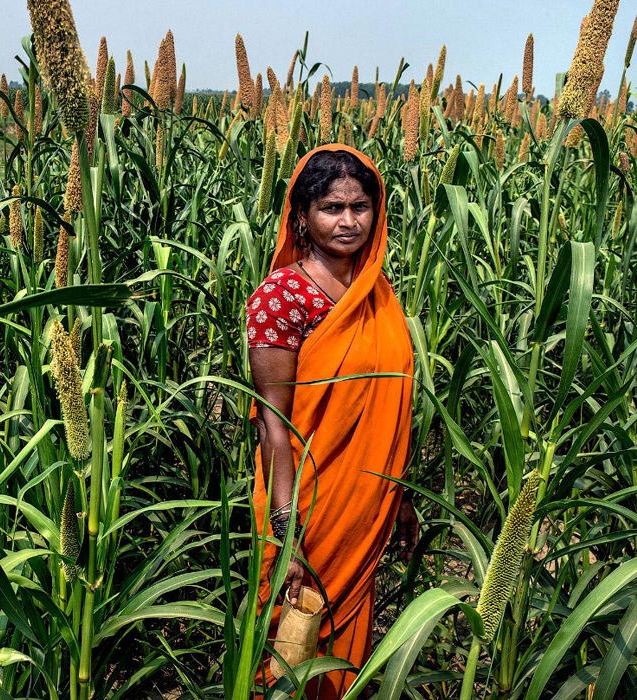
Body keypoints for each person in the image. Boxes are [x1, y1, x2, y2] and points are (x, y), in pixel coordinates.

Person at [246, 144, 418, 699]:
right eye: (331, 207)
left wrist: (401, 498)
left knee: (346, 651)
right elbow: (274, 425)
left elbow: (389, 411)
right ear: (302, 215)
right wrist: (287, 530)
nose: (348, 221)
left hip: (366, 500)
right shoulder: (282, 298)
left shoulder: (377, 294)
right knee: (290, 643)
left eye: (360, 206)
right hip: (306, 502)